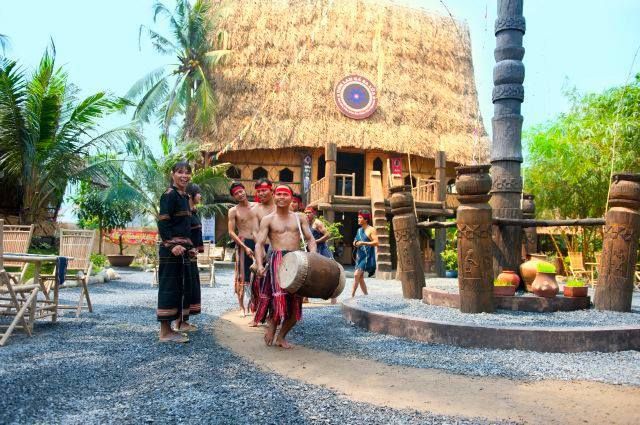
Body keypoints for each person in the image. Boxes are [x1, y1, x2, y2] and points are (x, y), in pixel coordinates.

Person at [255, 184, 316, 348]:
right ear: (274, 196)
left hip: (297, 260)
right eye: (279, 194)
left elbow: (310, 239)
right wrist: (259, 264)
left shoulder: (300, 217)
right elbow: (259, 244)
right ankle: (272, 326)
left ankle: (281, 336)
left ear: (291, 198)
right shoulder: (268, 219)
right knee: (278, 299)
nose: (281, 197)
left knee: (295, 306)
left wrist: (313, 257)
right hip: (277, 260)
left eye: (285, 194)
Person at [156, 161, 194, 343]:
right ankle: (165, 332)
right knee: (169, 288)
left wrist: (190, 247)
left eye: (187, 173)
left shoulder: (184, 197)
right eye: (180, 172)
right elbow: (163, 222)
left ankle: (172, 328)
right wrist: (171, 245)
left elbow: (184, 227)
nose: (184, 176)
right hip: (171, 251)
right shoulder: (169, 195)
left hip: (181, 250)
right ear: (172, 174)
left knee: (179, 288)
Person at [173, 182, 203, 333]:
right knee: (183, 287)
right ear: (191, 194)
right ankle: (179, 322)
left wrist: (196, 249)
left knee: (190, 287)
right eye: (198, 193)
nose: (200, 196)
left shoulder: (193, 212)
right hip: (184, 254)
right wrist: (189, 248)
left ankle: (184, 321)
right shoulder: (184, 213)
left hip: (191, 256)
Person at [227, 182, 259, 316]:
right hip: (243, 243)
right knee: (241, 275)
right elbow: (231, 232)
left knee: (258, 273)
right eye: (236, 194)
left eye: (241, 191)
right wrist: (244, 246)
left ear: (245, 190)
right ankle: (241, 307)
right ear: (234, 197)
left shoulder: (257, 206)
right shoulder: (233, 211)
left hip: (258, 243)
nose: (240, 194)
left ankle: (255, 304)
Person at [248, 178, 276, 326]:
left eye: (264, 190)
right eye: (258, 191)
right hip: (262, 248)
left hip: (278, 249)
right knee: (258, 283)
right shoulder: (255, 210)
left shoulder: (280, 206)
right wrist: (260, 249)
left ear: (271, 190)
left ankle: (274, 315)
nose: (261, 193)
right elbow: (254, 231)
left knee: (275, 283)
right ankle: (257, 315)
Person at [352, 210, 378, 297]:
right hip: (359, 255)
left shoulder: (371, 229)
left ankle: (352, 295)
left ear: (366, 219)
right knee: (360, 277)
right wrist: (356, 243)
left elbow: (376, 242)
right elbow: (355, 241)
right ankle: (366, 295)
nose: (358, 219)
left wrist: (363, 243)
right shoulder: (359, 230)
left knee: (356, 275)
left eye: (360, 218)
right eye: (358, 217)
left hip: (367, 256)